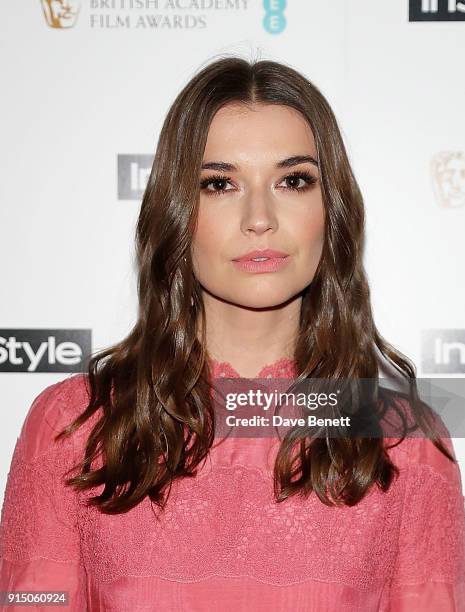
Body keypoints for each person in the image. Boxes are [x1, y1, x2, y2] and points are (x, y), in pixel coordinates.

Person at [1, 55, 464, 612]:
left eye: (293, 180)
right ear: (177, 211)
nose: (259, 217)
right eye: (219, 184)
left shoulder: (402, 441)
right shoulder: (74, 425)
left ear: (332, 209)